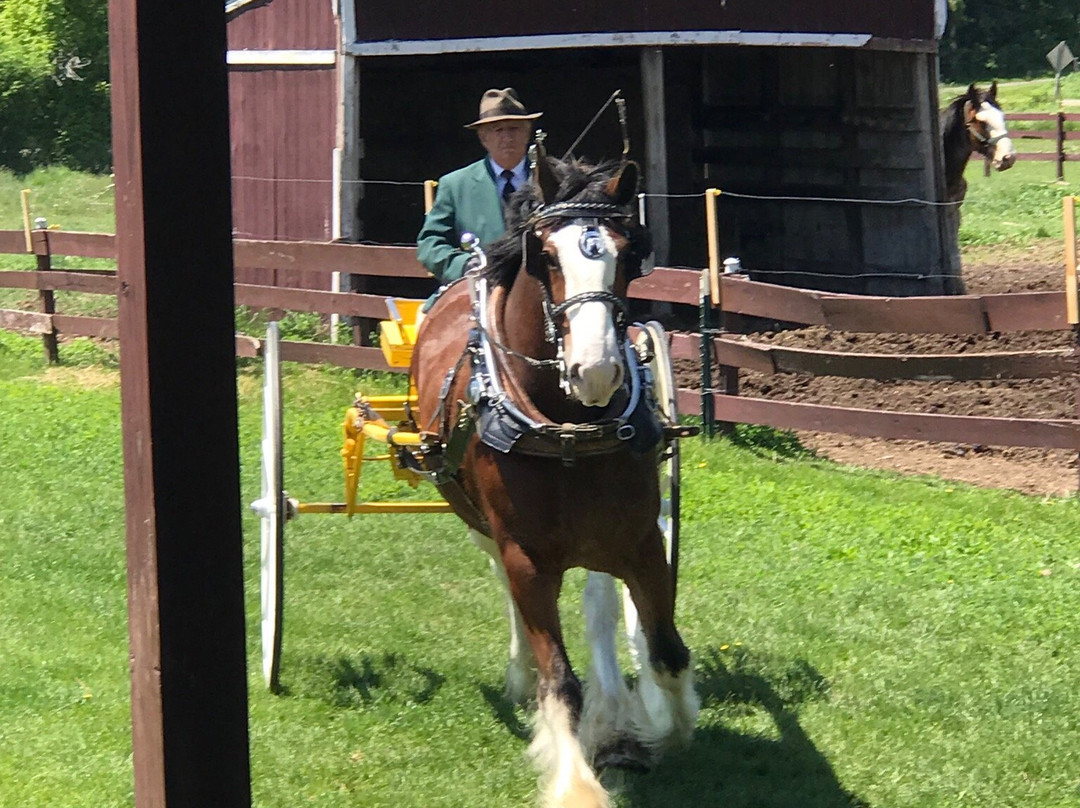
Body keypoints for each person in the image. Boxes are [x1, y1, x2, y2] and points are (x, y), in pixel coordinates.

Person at [417, 88, 542, 286]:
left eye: (514, 128)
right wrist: (464, 265)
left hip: (541, 293)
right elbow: (430, 244)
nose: (507, 137)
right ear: (483, 138)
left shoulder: (552, 180)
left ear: (527, 133)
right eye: (498, 130)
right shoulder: (455, 185)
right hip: (477, 291)